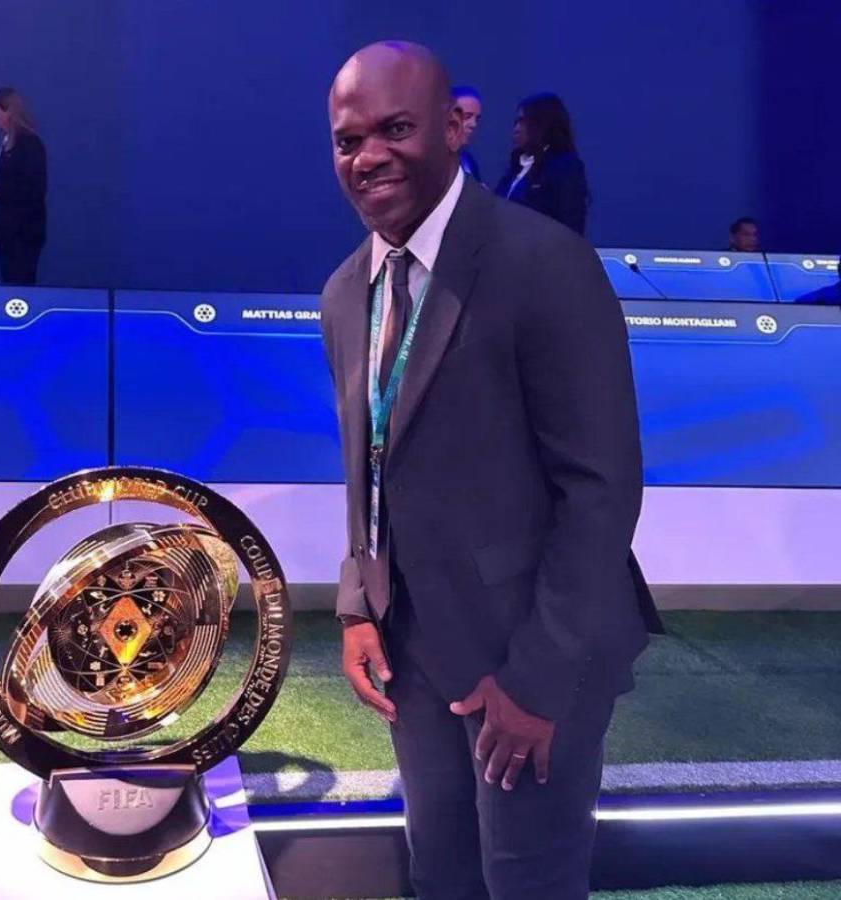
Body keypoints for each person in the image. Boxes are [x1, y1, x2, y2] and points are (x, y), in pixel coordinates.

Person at [321, 42, 661, 899]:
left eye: (395, 129)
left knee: (526, 882)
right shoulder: (345, 292)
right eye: (348, 140)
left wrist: (537, 680)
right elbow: (370, 465)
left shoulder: (542, 262)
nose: (369, 156)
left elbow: (601, 488)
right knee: (441, 874)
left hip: (533, 656)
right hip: (414, 655)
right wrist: (359, 602)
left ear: (452, 129)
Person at [0, 87, 48, 286]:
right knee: (9, 283)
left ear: (8, 112)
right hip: (7, 233)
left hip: (23, 233)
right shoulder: (7, 144)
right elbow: (11, 184)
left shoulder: (29, 144)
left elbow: (35, 189)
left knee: (20, 286)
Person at [495, 92, 588, 234]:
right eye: (516, 122)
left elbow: (571, 226)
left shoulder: (564, 168)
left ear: (542, 124)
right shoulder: (515, 169)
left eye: (523, 122)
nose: (516, 129)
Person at [451, 84, 482, 183]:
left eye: (477, 119)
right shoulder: (429, 159)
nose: (473, 124)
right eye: (467, 117)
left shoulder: (468, 162)